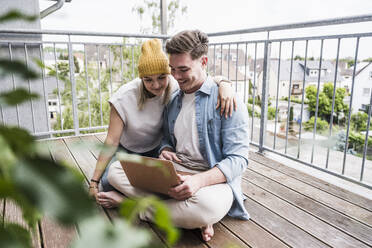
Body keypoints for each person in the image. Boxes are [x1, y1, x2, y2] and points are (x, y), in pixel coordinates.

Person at [107, 31, 250, 242]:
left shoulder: (228, 101)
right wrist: (165, 150)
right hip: (178, 172)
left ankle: (137, 208)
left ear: (203, 61)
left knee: (207, 207)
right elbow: (167, 138)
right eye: (172, 70)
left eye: (183, 69)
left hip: (213, 181)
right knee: (115, 171)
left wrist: (199, 181)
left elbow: (239, 160)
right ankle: (184, 215)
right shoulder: (174, 99)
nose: (177, 76)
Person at [89, 39, 236, 206]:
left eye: (161, 77)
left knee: (168, 183)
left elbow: (201, 78)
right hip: (127, 150)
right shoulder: (124, 97)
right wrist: (94, 181)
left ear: (168, 74)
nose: (156, 85)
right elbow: (111, 141)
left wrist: (225, 83)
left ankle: (132, 203)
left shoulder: (174, 85)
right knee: (108, 183)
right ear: (141, 78)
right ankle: (158, 203)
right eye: (148, 80)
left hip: (157, 150)